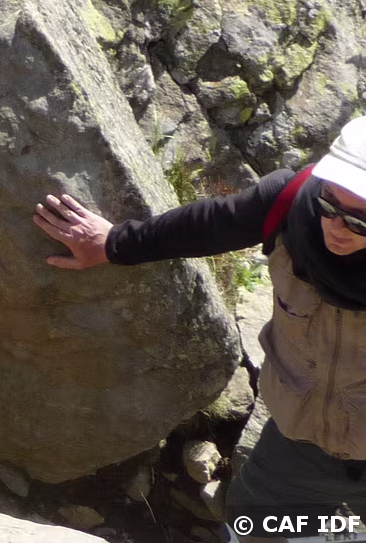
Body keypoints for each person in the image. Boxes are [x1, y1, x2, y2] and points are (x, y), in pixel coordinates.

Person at [36, 119, 366, 536]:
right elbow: (210, 224)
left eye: (358, 221)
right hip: (299, 447)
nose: (335, 227)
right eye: (329, 205)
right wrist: (112, 243)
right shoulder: (292, 203)